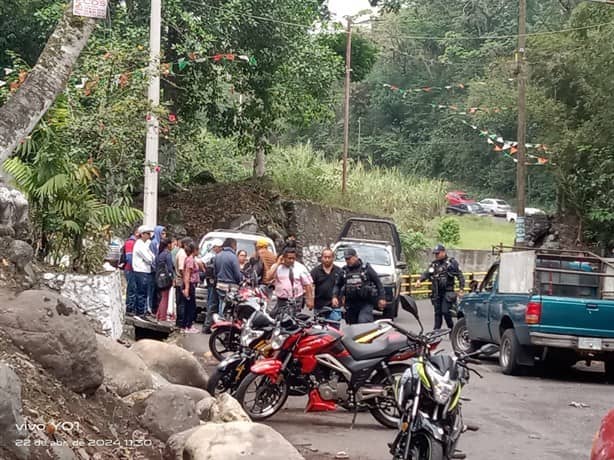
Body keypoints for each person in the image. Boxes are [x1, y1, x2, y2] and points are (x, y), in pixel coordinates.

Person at [416, 244, 465, 330]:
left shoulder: (451, 263)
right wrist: (419, 280)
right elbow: (427, 273)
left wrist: (461, 289)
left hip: (448, 292)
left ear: (443, 252)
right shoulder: (434, 264)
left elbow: (460, 276)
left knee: (446, 312)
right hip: (437, 293)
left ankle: (452, 330)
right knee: (437, 313)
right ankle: (436, 332)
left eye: (438, 253)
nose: (436, 255)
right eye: (435, 254)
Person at [333, 247, 385, 325]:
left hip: (365, 302)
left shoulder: (366, 269)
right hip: (350, 304)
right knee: (352, 327)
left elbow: (378, 283)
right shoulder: (344, 271)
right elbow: (337, 285)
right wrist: (334, 297)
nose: (348, 261)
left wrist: (382, 298)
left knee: (363, 322)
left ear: (356, 257)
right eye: (346, 259)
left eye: (349, 258)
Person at [267, 246, 314, 316]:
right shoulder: (278, 267)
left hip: (296, 300)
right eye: (289, 258)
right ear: (284, 257)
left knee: (293, 321)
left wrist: (309, 300)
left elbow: (308, 284)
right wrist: (278, 263)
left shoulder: (300, 268)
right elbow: (268, 277)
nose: (291, 260)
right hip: (281, 300)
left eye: (293, 258)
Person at [214, 238, 244, 317]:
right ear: (233, 245)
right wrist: (241, 280)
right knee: (229, 306)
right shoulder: (233, 257)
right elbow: (237, 274)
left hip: (219, 285)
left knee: (221, 304)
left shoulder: (217, 256)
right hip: (230, 287)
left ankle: (220, 321)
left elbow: (215, 272)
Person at [310, 248, 342, 317]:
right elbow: (310, 287)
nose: (327, 259)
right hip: (319, 306)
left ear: (333, 258)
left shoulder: (339, 271)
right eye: (325, 257)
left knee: (334, 327)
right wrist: (310, 300)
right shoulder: (315, 271)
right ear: (321, 258)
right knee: (318, 327)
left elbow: (343, 287)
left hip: (334, 306)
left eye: (329, 257)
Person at [132, 225, 155, 318]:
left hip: (145, 270)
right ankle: (140, 312)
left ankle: (142, 311)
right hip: (140, 270)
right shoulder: (139, 244)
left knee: (144, 292)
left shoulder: (146, 244)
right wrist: (151, 258)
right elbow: (149, 259)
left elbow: (152, 256)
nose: (149, 235)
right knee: (141, 292)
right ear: (142, 234)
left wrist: (151, 258)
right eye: (147, 233)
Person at [202, 239, 223, 334]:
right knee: (214, 305)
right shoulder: (214, 257)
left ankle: (208, 326)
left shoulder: (215, 257)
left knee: (212, 304)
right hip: (215, 285)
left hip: (212, 283)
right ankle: (208, 326)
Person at [118, 227, 139, 316]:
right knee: (132, 288)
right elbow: (129, 257)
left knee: (134, 288)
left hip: (133, 269)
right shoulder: (130, 243)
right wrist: (135, 267)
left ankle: (132, 307)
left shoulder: (136, 243)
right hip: (130, 269)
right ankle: (129, 308)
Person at [181, 241, 201, 333]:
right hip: (189, 284)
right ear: (195, 250)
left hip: (191, 284)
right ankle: (188, 325)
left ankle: (185, 325)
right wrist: (187, 288)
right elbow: (187, 274)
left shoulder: (192, 259)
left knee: (189, 306)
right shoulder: (190, 260)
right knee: (190, 306)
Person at [174, 237, 192, 329]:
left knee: (180, 302)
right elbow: (181, 269)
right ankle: (180, 323)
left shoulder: (181, 253)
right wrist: (186, 278)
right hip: (181, 281)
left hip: (179, 280)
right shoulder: (182, 254)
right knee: (181, 303)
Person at [154, 238, 174, 322]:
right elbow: (170, 267)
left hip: (159, 277)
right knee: (165, 297)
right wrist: (172, 276)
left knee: (162, 296)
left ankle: (158, 314)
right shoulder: (167, 254)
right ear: (168, 245)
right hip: (166, 278)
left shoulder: (160, 254)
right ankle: (162, 316)